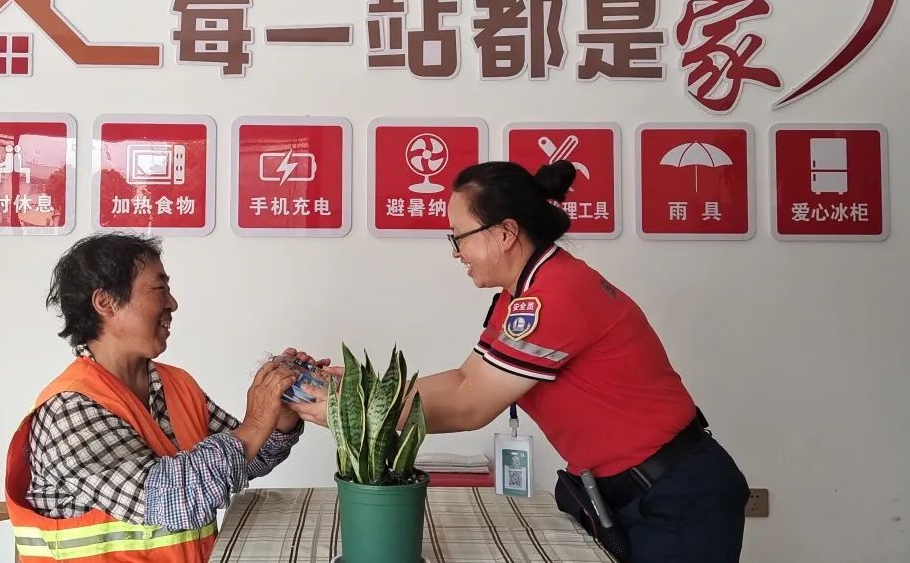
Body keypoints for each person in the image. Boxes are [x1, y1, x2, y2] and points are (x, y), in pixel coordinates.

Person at [288, 160, 750, 563]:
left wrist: (352, 415)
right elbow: (466, 380)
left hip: (675, 497)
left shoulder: (554, 296)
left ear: (506, 233)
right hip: (632, 493)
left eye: (459, 237)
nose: (456, 253)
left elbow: (470, 407)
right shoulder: (523, 294)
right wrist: (364, 389)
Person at [5, 232, 324, 563]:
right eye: (159, 289)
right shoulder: (69, 410)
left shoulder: (175, 384)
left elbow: (244, 458)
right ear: (105, 302)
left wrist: (280, 416)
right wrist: (256, 423)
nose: (172, 303)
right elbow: (173, 499)